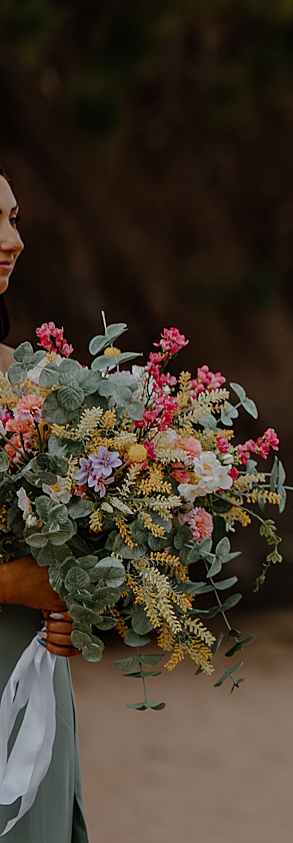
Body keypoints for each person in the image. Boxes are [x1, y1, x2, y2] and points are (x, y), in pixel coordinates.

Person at [0, 166, 88, 841]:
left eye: (15, 218)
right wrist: (16, 583)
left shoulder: (34, 383)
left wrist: (82, 589)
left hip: (27, 674)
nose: (13, 241)